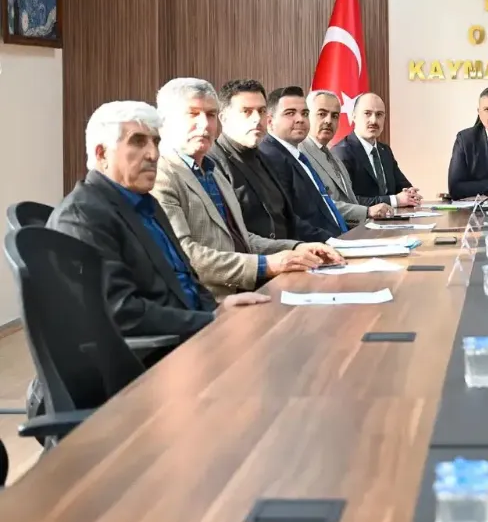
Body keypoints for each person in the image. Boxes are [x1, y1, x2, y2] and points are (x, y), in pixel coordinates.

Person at [49, 101, 269, 343]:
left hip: (193, 332)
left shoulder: (147, 204)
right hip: (156, 354)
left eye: (155, 142)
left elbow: (186, 283)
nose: (153, 154)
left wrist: (220, 309)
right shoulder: (83, 215)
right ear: (102, 154)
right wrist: (210, 320)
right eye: (138, 141)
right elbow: (120, 312)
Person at [151, 78, 342, 297]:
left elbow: (241, 238)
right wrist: (266, 265)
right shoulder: (160, 175)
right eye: (193, 114)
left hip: (247, 291)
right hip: (207, 303)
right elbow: (183, 253)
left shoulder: (211, 171)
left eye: (210, 115)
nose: (204, 124)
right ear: (164, 122)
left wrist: (296, 248)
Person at [210, 79, 331, 242]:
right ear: (224, 118)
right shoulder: (211, 164)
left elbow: (288, 220)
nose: (257, 119)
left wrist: (331, 242)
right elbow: (231, 236)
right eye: (246, 111)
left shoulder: (266, 158)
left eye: (261, 111)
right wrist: (292, 249)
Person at [258, 86, 347, 240]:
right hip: (316, 247)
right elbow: (287, 220)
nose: (300, 119)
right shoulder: (270, 157)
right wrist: (332, 242)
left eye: (305, 113)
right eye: (290, 113)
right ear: (270, 121)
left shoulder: (296, 155)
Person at [300, 89, 391, 227]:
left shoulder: (333, 156)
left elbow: (350, 201)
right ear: (306, 116)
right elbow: (317, 205)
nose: (328, 121)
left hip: (354, 232)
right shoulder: (300, 154)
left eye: (335, 116)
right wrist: (367, 212)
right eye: (322, 114)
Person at [333, 92, 422, 207]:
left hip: (393, 217)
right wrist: (394, 200)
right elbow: (347, 201)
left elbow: (403, 186)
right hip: (361, 219)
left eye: (379, 114)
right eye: (367, 113)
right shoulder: (342, 152)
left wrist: (410, 193)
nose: (374, 120)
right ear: (353, 116)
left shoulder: (384, 150)